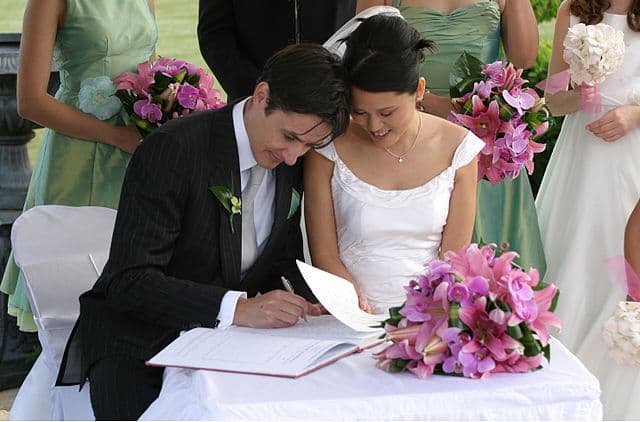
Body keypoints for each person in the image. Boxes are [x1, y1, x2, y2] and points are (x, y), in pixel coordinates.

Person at [55, 43, 351, 420]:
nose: (293, 157)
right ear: (262, 96)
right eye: (290, 137)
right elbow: (129, 280)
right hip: (139, 339)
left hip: (231, 344)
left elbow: (278, 252)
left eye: (308, 145)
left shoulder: (289, 158)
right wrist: (237, 308)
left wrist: (319, 298)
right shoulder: (173, 150)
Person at [305, 14, 484, 314]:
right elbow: (324, 254)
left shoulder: (459, 149)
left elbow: (453, 261)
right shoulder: (327, 148)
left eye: (387, 113)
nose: (374, 126)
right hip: (349, 313)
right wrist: (355, 304)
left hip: (430, 317)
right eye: (359, 112)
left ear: (418, 90)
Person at [356, 0, 546, 278]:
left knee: (494, 277)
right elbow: (365, 63)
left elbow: (524, 57)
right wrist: (427, 101)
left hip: (486, 142)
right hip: (412, 133)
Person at [0, 0, 156, 332]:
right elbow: (30, 101)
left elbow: (148, 66)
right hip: (80, 157)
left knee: (137, 289)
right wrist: (116, 136)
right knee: (75, 301)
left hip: (137, 151)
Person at [535, 0, 640, 418]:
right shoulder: (573, 10)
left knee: (625, 268)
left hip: (633, 162)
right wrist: (581, 93)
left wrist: (635, 114)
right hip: (585, 162)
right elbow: (552, 99)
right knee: (579, 257)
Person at [197, 0, 356, 100]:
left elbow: (364, 25)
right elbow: (214, 35)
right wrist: (258, 91)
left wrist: (340, 88)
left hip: (335, 102)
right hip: (257, 107)